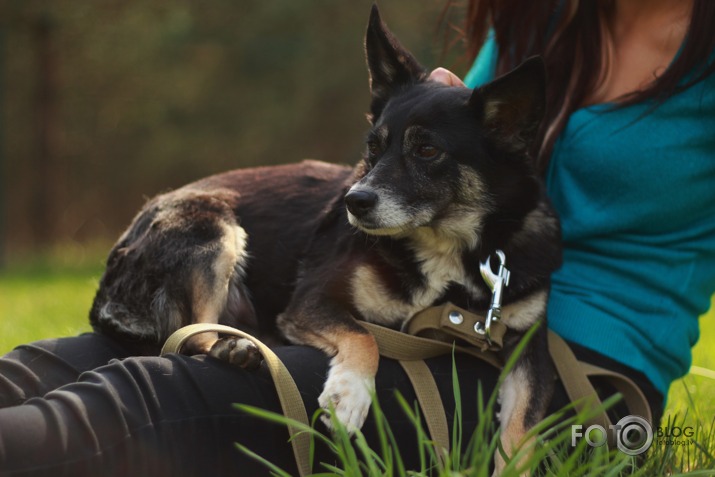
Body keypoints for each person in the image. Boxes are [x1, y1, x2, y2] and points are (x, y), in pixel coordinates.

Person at [0, 1, 713, 475]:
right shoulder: (546, 17)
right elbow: (471, 147)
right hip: (437, 297)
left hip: (578, 363)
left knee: (161, 396)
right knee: (68, 361)